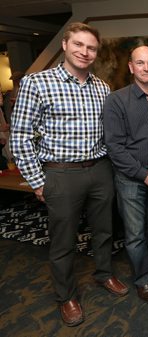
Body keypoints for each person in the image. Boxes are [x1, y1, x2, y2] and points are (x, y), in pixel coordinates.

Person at [9, 22, 128, 327]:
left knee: (104, 231)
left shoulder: (102, 87)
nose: (84, 52)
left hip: (101, 170)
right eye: (78, 45)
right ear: (65, 45)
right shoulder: (38, 83)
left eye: (90, 47)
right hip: (61, 174)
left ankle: (104, 274)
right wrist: (37, 181)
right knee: (63, 241)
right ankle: (67, 296)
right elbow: (20, 137)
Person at [103, 46, 148, 304]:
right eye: (140, 63)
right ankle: (143, 279)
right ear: (131, 67)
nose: (146, 68)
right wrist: (145, 174)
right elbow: (115, 146)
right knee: (135, 233)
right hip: (131, 180)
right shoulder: (117, 100)